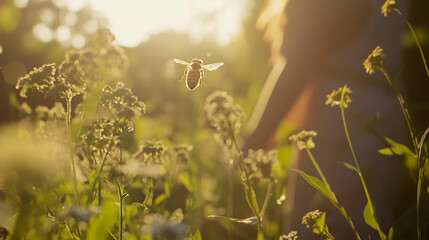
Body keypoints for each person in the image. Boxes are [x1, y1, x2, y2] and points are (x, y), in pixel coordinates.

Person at [242, 0, 412, 239]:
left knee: (322, 226)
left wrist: (253, 140)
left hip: (341, 120)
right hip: (386, 113)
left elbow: (300, 62)